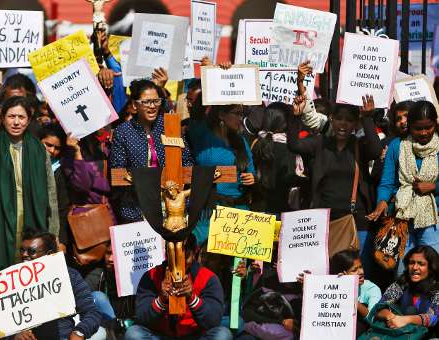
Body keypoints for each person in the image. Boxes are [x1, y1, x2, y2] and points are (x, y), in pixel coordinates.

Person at [0, 96, 59, 275]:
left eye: (21, 117)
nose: (16, 122)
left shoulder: (39, 151)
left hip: (31, 225)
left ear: (29, 120)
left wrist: (54, 232)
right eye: (11, 117)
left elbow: (51, 194)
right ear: (2, 119)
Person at [287, 94, 382, 254]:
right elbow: (294, 145)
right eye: (339, 118)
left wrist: (367, 118)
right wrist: (296, 117)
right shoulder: (320, 142)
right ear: (331, 119)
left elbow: (376, 150)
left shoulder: (359, 145)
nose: (343, 124)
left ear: (355, 124)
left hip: (356, 221)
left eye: (349, 120)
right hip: (324, 221)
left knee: (356, 273)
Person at [110, 79, 194, 223]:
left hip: (171, 207)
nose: (152, 106)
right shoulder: (122, 132)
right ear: (135, 105)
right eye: (146, 102)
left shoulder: (170, 126)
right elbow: (118, 170)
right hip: (137, 208)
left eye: (156, 101)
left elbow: (187, 161)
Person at [368, 101, 439, 268]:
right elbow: (387, 182)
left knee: (432, 271)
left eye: (428, 127)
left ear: (435, 124)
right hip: (402, 221)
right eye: (418, 128)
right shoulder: (396, 146)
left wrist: (434, 187)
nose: (423, 133)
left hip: (433, 222)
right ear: (410, 126)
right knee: (403, 273)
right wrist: (382, 201)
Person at [126, 235, 232, 340]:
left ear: (195, 252)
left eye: (185, 257)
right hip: (161, 335)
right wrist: (161, 300)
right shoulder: (151, 276)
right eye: (174, 258)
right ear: (167, 253)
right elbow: (141, 317)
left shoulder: (208, 278)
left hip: (195, 335)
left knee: (222, 335)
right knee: (134, 333)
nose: (179, 264)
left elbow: (214, 321)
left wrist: (192, 299)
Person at [187, 97, 256, 243]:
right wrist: (209, 87)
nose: (240, 118)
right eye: (236, 113)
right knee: (209, 260)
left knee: (237, 264)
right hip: (209, 211)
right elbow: (196, 113)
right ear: (221, 115)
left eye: (241, 114)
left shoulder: (240, 140)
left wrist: (252, 177)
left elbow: (251, 168)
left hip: (238, 209)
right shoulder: (202, 135)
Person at [14, 230, 101, 340]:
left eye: (31, 251)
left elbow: (92, 313)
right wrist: (14, 335)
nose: (24, 255)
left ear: (49, 254)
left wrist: (79, 332)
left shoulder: (69, 276)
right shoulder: (10, 281)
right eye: (22, 250)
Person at [371, 246, 439, 336]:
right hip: (401, 332)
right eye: (411, 263)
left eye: (421, 264)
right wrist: (390, 316)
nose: (415, 267)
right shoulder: (402, 283)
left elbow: (433, 318)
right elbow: (380, 306)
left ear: (431, 268)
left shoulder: (436, 288)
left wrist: (405, 320)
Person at [251, 102, 305, 215]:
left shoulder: (256, 143)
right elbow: (290, 180)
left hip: (257, 211)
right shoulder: (290, 148)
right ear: (286, 123)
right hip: (281, 211)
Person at [329, 249, 381, 337]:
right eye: (354, 270)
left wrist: (350, 294)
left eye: (360, 267)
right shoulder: (332, 285)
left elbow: (372, 318)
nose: (361, 272)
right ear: (341, 274)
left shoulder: (372, 289)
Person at [38, 126, 71, 248]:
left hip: (48, 230)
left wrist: (61, 240)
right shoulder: (25, 163)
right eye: (48, 145)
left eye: (57, 148)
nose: (52, 151)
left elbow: (62, 207)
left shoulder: (59, 171)